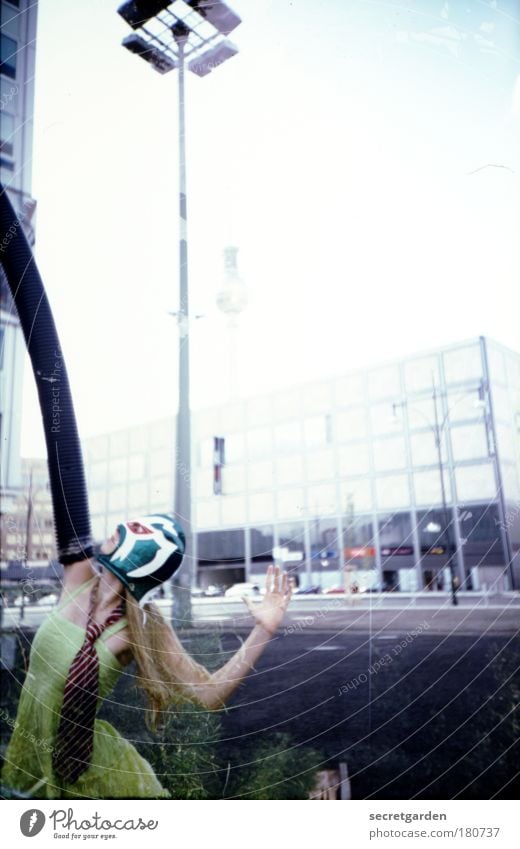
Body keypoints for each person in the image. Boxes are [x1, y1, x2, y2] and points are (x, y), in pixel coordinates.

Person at [2, 515, 292, 799]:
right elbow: (66, 487)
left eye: (137, 529)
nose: (119, 528)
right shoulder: (79, 577)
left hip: (95, 776)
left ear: (147, 555)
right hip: (28, 754)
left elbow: (208, 694)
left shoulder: (143, 626)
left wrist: (263, 630)